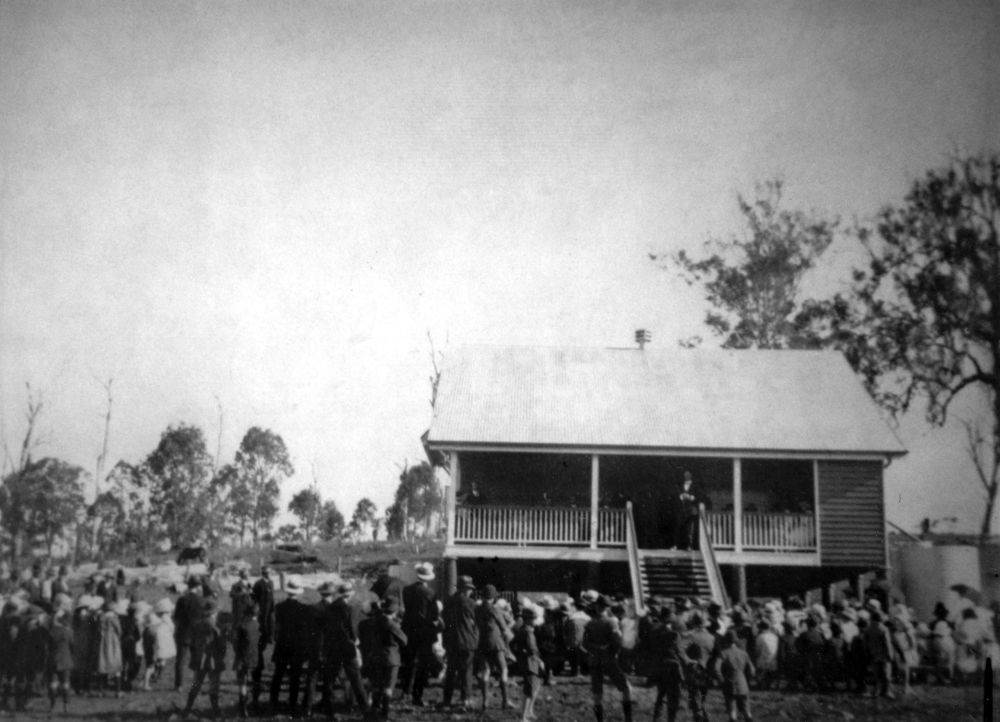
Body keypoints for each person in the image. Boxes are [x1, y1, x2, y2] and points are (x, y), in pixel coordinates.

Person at [269, 575, 317, 717]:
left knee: (278, 676)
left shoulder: (279, 607)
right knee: (295, 677)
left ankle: (273, 703)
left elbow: (277, 627)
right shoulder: (305, 609)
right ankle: (292, 705)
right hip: (297, 646)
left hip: (283, 644)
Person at [581, 594, 632, 722]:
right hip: (608, 659)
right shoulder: (612, 621)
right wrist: (612, 651)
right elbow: (617, 640)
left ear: (596, 607)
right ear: (607, 607)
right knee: (626, 688)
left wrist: (595, 649)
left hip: (594, 659)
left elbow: (585, 644)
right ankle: (628, 719)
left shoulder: (589, 623)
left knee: (597, 693)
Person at [401, 561, 440, 706]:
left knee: (409, 661)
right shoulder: (430, 593)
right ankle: (417, 695)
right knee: (423, 664)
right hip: (424, 631)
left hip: (409, 629)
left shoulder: (407, 590)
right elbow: (434, 615)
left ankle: (406, 690)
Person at [182, 598, 227, 720]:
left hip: (199, 659)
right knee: (214, 685)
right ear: (214, 612)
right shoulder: (216, 627)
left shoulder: (197, 625)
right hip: (212, 660)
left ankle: (188, 708)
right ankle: (216, 711)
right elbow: (222, 645)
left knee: (196, 683)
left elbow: (192, 643)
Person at [441, 575, 479, 710]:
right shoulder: (470, 603)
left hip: (452, 642)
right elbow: (477, 621)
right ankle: (466, 700)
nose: (471, 591)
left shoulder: (449, 601)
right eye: (470, 589)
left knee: (450, 672)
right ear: (465, 589)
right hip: (467, 641)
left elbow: (443, 621)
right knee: (466, 672)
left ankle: (446, 700)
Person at [475, 584, 514, 711]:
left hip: (482, 642)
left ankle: (485, 702)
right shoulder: (495, 609)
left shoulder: (477, 609)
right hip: (496, 643)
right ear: (493, 597)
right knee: (503, 670)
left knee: (485, 671)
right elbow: (504, 628)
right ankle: (505, 700)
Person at [367, 596, 408, 720]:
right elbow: (404, 640)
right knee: (388, 687)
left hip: (376, 656)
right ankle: (385, 712)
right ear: (395, 611)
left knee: (377, 685)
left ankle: (374, 709)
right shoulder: (392, 624)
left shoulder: (375, 621)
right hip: (391, 657)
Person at [650, 607, 685, 722]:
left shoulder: (654, 629)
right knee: (673, 696)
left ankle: (656, 718)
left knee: (661, 693)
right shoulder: (675, 633)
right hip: (673, 666)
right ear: (669, 617)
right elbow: (679, 651)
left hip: (659, 664)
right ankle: (671, 719)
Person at [714, 629, 755, 722]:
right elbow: (752, 670)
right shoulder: (744, 653)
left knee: (731, 707)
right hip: (742, 682)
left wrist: (721, 680)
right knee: (746, 708)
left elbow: (716, 668)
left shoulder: (724, 653)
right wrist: (748, 679)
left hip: (729, 683)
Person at [511, 606, 542, 722]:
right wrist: (540, 660)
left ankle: (528, 712)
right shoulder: (528, 631)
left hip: (526, 661)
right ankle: (523, 716)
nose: (535, 621)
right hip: (530, 662)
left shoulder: (522, 629)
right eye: (533, 619)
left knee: (533, 686)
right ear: (528, 619)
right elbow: (532, 649)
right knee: (529, 689)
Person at [250, 565, 275, 709]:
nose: (269, 574)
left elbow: (272, 600)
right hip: (260, 614)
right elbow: (254, 598)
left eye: (270, 573)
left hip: (268, 614)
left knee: (267, 631)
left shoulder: (271, 583)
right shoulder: (259, 584)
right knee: (261, 634)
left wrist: (272, 611)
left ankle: (267, 638)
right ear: (264, 573)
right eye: (267, 572)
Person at [681, 612, 714, 722]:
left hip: (694, 668)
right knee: (702, 695)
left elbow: (680, 649)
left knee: (695, 695)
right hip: (707, 669)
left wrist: (687, 660)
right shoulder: (712, 637)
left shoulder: (690, 635)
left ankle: (699, 717)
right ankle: (703, 716)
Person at [173, 578, 205, 690]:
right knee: (197, 661)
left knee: (180, 660)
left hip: (183, 633)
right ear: (197, 587)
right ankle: (195, 685)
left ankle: (179, 685)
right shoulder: (201, 600)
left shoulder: (182, 600)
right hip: (197, 633)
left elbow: (176, 618)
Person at [232, 598, 260, 719]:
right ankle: (254, 702)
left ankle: (243, 707)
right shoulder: (257, 625)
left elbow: (235, 643)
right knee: (253, 680)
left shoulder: (242, 626)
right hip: (254, 657)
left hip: (242, 657)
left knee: (242, 682)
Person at [47, 608, 74, 713]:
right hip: (66, 660)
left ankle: (52, 705)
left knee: (53, 684)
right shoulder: (69, 632)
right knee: (66, 683)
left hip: (53, 660)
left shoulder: (52, 632)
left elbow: (48, 646)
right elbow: (72, 646)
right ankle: (66, 706)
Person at [98, 598, 123, 697]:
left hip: (103, 641)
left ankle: (101, 691)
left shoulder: (101, 617)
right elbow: (119, 631)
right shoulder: (115, 618)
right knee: (116, 664)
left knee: (103, 664)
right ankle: (118, 691)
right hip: (113, 641)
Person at [677, 471, 701, 550]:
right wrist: (682, 496)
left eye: (687, 476)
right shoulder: (682, 485)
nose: (686, 477)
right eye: (685, 476)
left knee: (691, 528)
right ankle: (681, 545)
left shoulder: (694, 486)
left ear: (690, 477)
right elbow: (679, 495)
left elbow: (696, 497)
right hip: (683, 509)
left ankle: (690, 546)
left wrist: (689, 497)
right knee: (682, 527)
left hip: (691, 510)